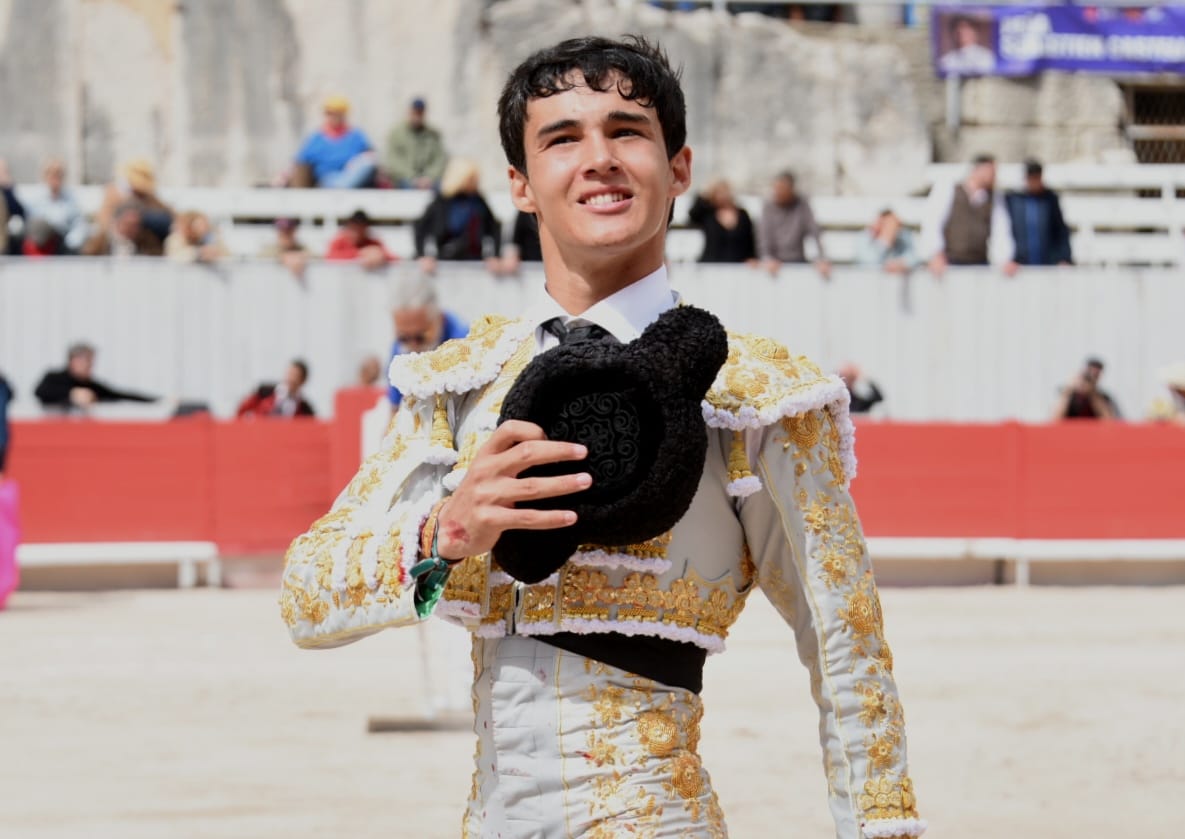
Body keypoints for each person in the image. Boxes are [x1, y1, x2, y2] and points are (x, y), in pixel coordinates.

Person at [280, 35, 924, 839]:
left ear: (678, 168)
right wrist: (444, 530)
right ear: (519, 184)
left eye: (626, 131)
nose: (598, 159)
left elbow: (844, 644)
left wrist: (881, 828)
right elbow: (305, 597)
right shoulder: (459, 386)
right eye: (562, 138)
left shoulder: (754, 398)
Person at [919, 153, 1017, 277]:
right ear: (978, 169)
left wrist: (1004, 259)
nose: (994, 176)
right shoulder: (949, 189)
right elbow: (932, 222)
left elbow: (1001, 230)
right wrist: (935, 254)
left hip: (979, 263)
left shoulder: (994, 198)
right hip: (950, 262)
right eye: (991, 171)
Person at [385, 275, 469, 407]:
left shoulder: (464, 342)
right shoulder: (400, 347)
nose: (413, 346)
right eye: (404, 337)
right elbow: (395, 405)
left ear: (439, 319)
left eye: (420, 337)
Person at [413, 157, 503, 273]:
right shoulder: (442, 201)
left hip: (474, 260)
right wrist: (422, 255)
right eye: (471, 179)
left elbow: (494, 228)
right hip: (445, 260)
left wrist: (495, 256)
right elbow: (420, 228)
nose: (475, 182)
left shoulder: (477, 201)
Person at [34, 343, 157, 412]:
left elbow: (118, 394)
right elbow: (40, 391)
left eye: (91, 362)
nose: (90, 366)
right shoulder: (54, 378)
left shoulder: (91, 386)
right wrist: (72, 393)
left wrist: (156, 400)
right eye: (86, 361)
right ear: (73, 360)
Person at [292, 95, 377, 189]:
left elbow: (369, 156)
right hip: (327, 179)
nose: (335, 117)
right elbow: (301, 161)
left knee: (367, 163)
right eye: (331, 113)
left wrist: (355, 163)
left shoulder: (356, 136)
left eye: (338, 113)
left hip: (352, 176)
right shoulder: (317, 138)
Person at [758, 170, 830, 278]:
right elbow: (764, 238)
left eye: (781, 189)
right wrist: (768, 259)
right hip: (774, 263)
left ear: (791, 190)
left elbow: (815, 231)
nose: (777, 193)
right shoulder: (768, 207)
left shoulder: (802, 205)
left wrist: (821, 258)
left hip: (798, 261)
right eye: (776, 189)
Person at [94, 158, 174, 251]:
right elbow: (104, 222)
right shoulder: (114, 195)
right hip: (115, 243)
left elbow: (169, 215)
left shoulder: (149, 198)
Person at [1005, 160, 1072, 267]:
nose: (1034, 182)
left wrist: (1064, 257)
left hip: (1047, 263)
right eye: (1031, 178)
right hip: (1019, 264)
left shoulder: (1050, 200)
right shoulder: (1013, 200)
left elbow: (1060, 231)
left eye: (1037, 177)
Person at [22, 158, 89, 254]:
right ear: (44, 176)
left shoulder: (71, 199)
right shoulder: (34, 198)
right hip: (40, 246)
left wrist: (69, 244)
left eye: (58, 174)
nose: (54, 177)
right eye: (51, 173)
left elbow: (79, 225)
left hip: (62, 246)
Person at [687, 177, 757, 263]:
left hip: (738, 265)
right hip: (711, 263)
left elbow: (750, 241)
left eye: (724, 191)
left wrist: (752, 258)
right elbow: (692, 215)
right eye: (718, 192)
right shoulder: (708, 214)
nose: (722, 195)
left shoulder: (742, 214)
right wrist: (705, 193)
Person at [385, 97, 449, 189]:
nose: (417, 117)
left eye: (420, 113)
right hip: (405, 179)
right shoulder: (396, 134)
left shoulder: (433, 135)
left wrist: (429, 177)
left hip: (429, 180)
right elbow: (393, 161)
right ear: (409, 112)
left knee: (444, 188)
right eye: (414, 113)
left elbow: (439, 160)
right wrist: (413, 177)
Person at [236, 360, 315, 418]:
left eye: (296, 376)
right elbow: (242, 411)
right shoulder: (264, 392)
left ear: (303, 380)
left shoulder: (305, 409)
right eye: (290, 374)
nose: (291, 379)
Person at [81, 202, 163, 256]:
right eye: (128, 224)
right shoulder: (99, 243)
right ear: (117, 222)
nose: (132, 229)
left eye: (136, 225)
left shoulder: (147, 243)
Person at [1053, 357, 1120, 421]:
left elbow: (1109, 420)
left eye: (1096, 375)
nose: (1092, 377)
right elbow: (1055, 419)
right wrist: (1068, 392)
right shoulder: (1069, 395)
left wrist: (1093, 394)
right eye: (1089, 373)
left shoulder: (1103, 397)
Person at [325, 209, 395, 270]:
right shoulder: (339, 242)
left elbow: (393, 259)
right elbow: (329, 257)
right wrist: (361, 254)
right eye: (354, 228)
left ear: (365, 229)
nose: (356, 233)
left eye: (359, 229)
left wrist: (381, 255)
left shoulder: (373, 243)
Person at [855, 208, 919, 274]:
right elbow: (869, 262)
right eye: (888, 225)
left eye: (894, 226)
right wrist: (885, 240)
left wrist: (902, 264)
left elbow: (913, 258)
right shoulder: (864, 237)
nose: (892, 229)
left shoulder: (902, 236)